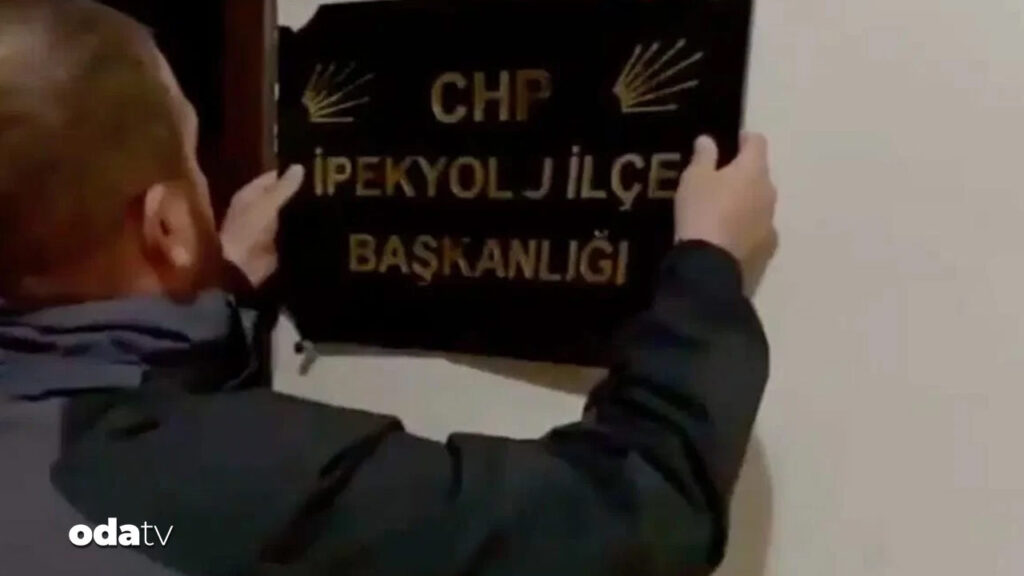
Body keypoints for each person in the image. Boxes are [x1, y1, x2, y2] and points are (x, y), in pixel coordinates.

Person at [0, 1, 777, 575]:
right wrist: (707, 264)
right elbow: (628, 514)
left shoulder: (93, 478)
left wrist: (216, 289)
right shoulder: (232, 489)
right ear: (166, 226)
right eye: (193, 158)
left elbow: (127, 500)